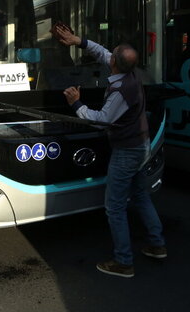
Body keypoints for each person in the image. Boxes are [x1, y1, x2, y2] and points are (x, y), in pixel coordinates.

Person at [54, 23, 166, 278]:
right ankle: (156, 244)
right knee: (140, 195)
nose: (108, 55)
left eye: (112, 54)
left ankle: (123, 261)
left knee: (114, 206)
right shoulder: (132, 74)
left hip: (128, 151)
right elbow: (101, 52)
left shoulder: (120, 91)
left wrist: (76, 103)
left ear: (115, 62)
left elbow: (101, 119)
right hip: (141, 145)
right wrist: (78, 41)